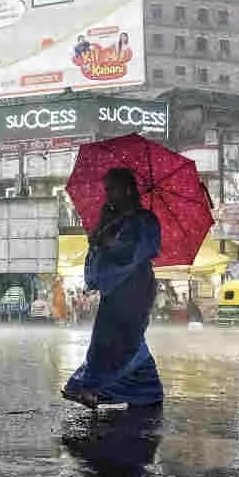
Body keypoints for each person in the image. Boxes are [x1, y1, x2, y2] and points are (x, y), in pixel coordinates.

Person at [62, 168, 164, 409]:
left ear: (128, 189)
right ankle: (147, 389)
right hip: (114, 288)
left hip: (135, 287)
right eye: (106, 189)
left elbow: (135, 252)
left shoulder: (146, 220)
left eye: (112, 189)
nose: (107, 195)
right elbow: (97, 250)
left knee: (117, 339)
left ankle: (92, 387)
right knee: (120, 338)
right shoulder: (113, 220)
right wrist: (102, 228)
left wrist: (111, 243)